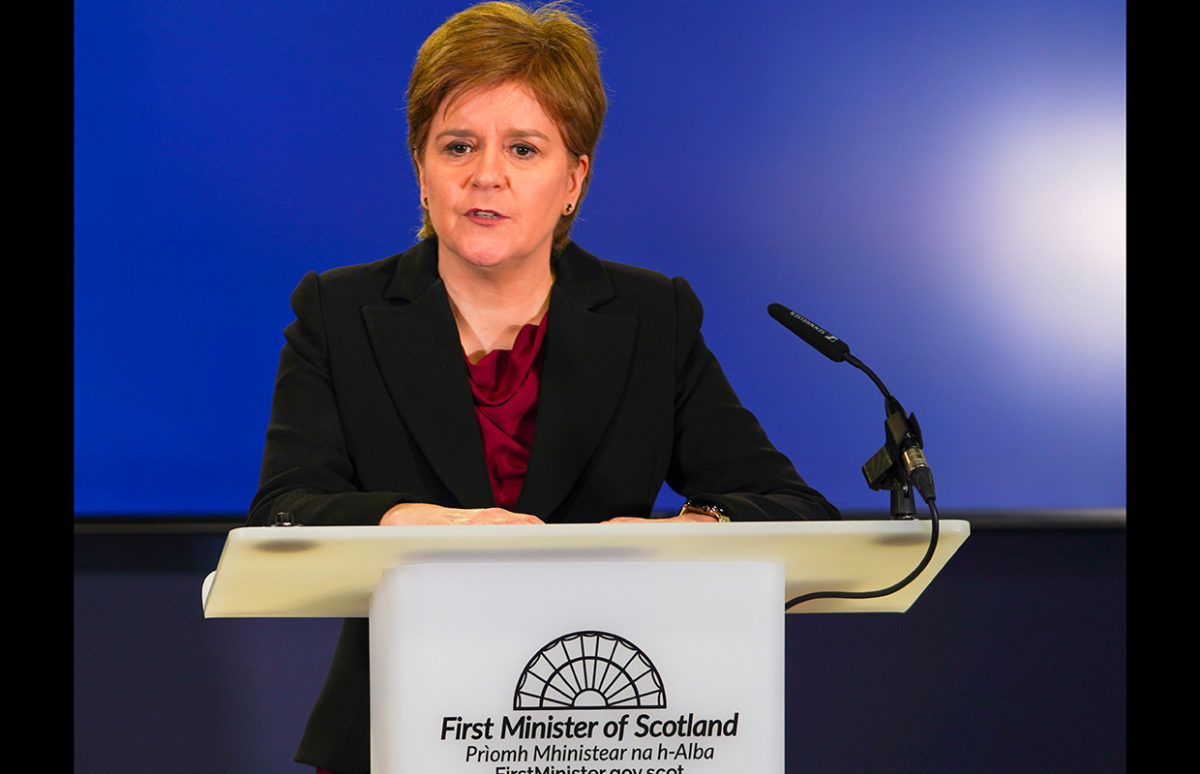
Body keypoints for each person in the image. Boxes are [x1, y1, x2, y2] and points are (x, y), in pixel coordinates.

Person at [247, 2, 840, 772]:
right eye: (457, 145)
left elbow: (795, 510)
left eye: (524, 149)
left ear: (574, 179)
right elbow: (286, 509)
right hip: (395, 729)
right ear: (421, 170)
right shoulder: (336, 312)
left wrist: (694, 530)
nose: (485, 174)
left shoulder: (649, 317)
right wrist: (420, 524)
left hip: (607, 727)